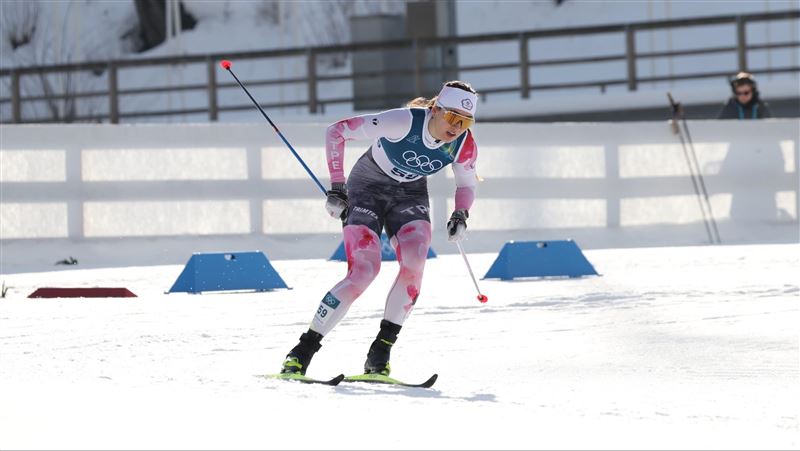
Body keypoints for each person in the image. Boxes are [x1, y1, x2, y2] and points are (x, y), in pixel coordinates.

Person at [280, 81, 480, 377]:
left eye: (465, 122)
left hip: (410, 195)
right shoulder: (404, 120)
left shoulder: (463, 144)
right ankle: (302, 351)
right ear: (435, 109)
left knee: (415, 263)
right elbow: (336, 131)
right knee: (364, 270)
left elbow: (466, 183)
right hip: (367, 188)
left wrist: (461, 214)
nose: (456, 127)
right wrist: (337, 187)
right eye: (452, 117)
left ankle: (380, 353)